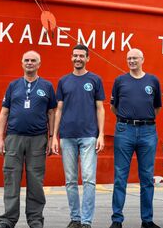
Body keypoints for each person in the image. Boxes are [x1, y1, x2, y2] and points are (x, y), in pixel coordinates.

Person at [0, 50, 57, 228]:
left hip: (38, 139)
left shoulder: (47, 86)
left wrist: (52, 138)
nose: (29, 63)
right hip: (13, 138)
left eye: (33, 60)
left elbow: (51, 113)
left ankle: (35, 220)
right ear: (22, 63)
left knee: (36, 180)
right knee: (11, 178)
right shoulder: (13, 86)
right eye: (26, 60)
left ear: (39, 64)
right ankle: (7, 220)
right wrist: (0, 139)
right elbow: (4, 113)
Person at [51, 44, 106, 228]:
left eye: (81, 56)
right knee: (70, 180)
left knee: (89, 179)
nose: (78, 59)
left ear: (88, 58)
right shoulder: (63, 81)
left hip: (89, 136)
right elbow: (58, 110)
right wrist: (54, 137)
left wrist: (101, 135)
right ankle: (75, 218)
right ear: (71, 57)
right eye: (75, 56)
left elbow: (100, 108)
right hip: (67, 136)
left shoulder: (95, 80)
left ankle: (86, 221)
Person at [109, 48, 162, 228]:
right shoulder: (120, 81)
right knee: (120, 177)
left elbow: (156, 108)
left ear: (142, 59)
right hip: (125, 130)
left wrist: (143, 119)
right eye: (129, 58)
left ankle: (147, 220)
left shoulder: (153, 81)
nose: (131, 61)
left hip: (147, 131)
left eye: (135, 58)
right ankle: (117, 219)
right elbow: (113, 107)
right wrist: (128, 119)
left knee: (147, 177)